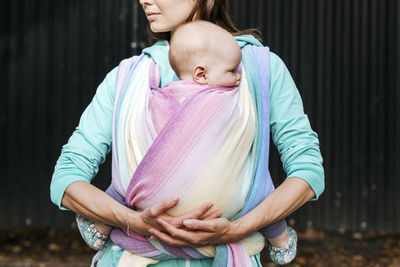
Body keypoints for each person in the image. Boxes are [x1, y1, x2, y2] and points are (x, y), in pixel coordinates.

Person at [50, 0, 324, 266]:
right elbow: (66, 179)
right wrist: (132, 220)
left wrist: (238, 228)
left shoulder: (259, 70)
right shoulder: (127, 79)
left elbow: (307, 171)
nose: (144, 1)